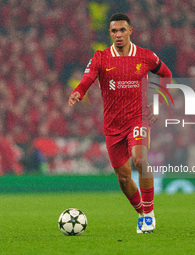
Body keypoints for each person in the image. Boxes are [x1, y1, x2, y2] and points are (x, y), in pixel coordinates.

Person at [68, 13, 172, 233]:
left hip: (138, 118)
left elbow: (166, 74)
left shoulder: (145, 56)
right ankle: (142, 214)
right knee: (124, 178)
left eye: (122, 30)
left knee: (140, 159)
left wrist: (157, 101)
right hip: (113, 125)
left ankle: (150, 212)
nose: (118, 34)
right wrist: (79, 91)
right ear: (109, 33)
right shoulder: (100, 58)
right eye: (114, 31)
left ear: (130, 31)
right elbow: (87, 78)